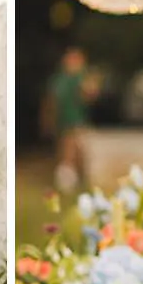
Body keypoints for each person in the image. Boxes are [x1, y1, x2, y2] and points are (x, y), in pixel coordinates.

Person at [43, 47, 96, 191]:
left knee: (77, 150)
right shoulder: (60, 80)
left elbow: (89, 96)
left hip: (77, 120)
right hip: (64, 120)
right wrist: (48, 120)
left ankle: (74, 179)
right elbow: (51, 101)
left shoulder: (81, 78)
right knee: (67, 151)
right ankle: (66, 180)